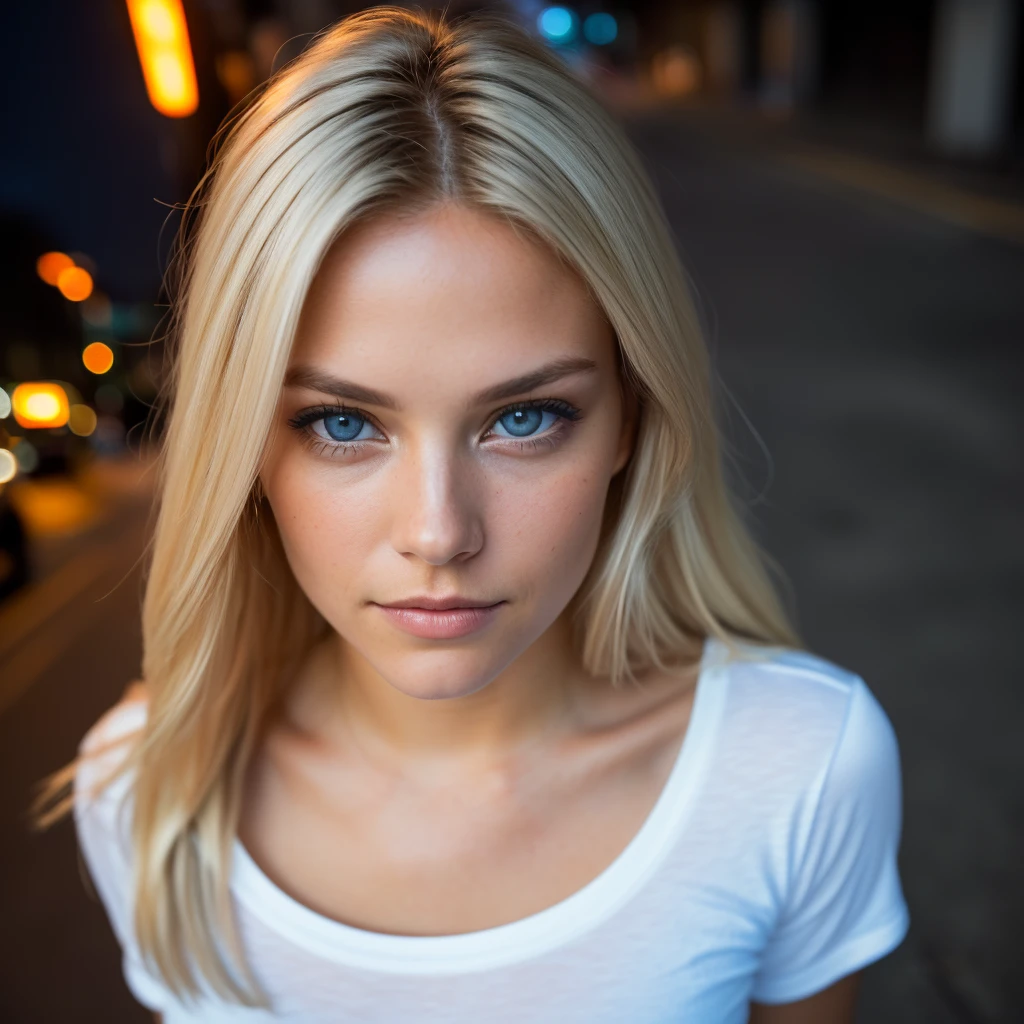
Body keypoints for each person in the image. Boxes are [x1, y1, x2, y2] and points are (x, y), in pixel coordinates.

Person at [35, 7, 909, 1022]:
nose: (440, 532)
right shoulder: (147, 792)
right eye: (340, 424)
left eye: (525, 417)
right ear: (244, 449)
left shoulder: (796, 764)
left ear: (631, 415)